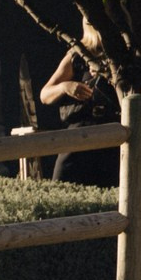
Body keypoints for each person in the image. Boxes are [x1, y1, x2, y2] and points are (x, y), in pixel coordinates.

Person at [39, 37, 119, 188]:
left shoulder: (127, 55)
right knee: (63, 191)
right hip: (79, 136)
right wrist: (64, 86)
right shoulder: (78, 54)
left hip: (113, 137)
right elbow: (45, 94)